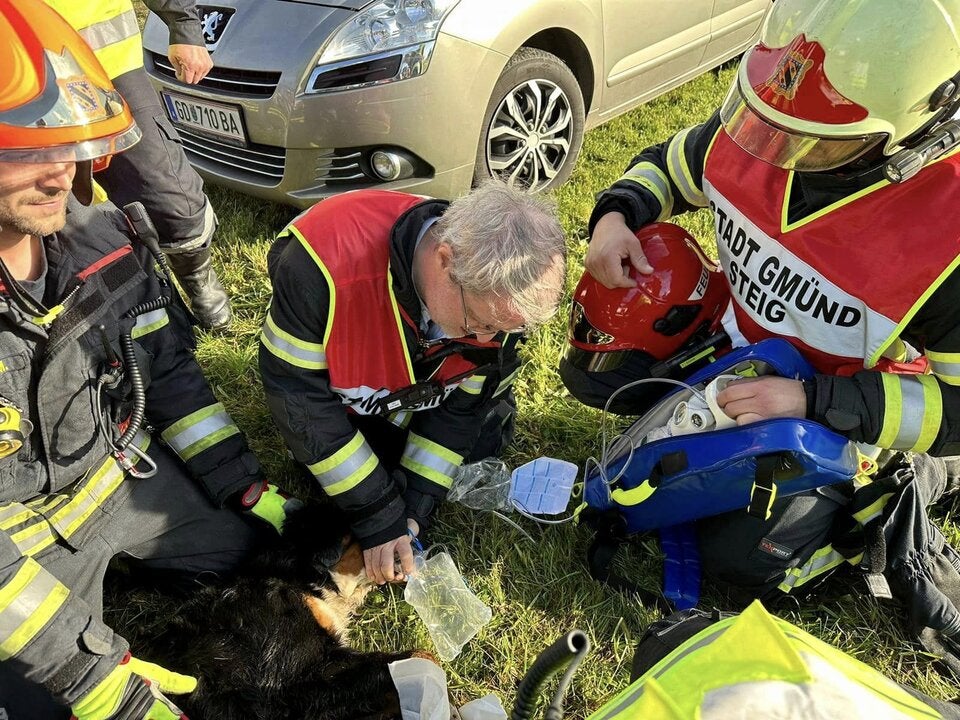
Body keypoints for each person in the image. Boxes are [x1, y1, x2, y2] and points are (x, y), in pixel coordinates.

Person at [568, 0, 960, 669]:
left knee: (742, 559)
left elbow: (957, 406)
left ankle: (895, 496)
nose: (779, 153)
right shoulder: (772, 124)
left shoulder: (945, 240)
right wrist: (615, 213)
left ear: (910, 140)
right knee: (601, 378)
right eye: (774, 127)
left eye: (817, 142)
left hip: (845, 416)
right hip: (743, 358)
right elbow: (672, 163)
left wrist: (811, 400)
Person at [0, 2, 292, 717]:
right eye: (25, 150)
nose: (60, 171)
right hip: (17, 549)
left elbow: (168, 374)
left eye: (65, 143)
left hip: (116, 489)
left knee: (269, 558)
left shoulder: (106, 239)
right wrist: (97, 684)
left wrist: (243, 486)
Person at [259, 184, 567, 585]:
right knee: (332, 464)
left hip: (409, 384)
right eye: (481, 323)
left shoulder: (496, 299)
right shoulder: (321, 267)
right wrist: (377, 513)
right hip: (338, 391)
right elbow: (298, 397)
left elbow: (463, 410)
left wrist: (412, 511)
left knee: (485, 437)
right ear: (444, 260)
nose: (489, 341)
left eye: (504, 329)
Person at [43, 0, 233, 331]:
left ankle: (196, 279)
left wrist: (184, 24)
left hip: (105, 64)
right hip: (17, 83)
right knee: (49, 205)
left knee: (168, 193)